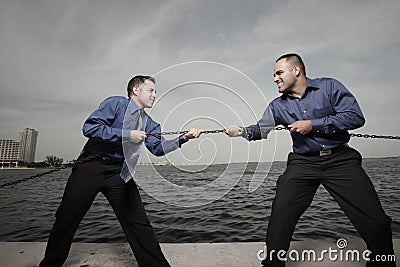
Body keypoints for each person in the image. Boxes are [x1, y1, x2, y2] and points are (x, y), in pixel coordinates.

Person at [224, 54, 395, 267]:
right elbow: (262, 129)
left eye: (279, 73)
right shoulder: (277, 106)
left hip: (341, 160)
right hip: (302, 163)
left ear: (296, 70)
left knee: (376, 220)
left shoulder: (329, 87)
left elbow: (355, 117)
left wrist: (313, 124)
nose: (275, 79)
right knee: (281, 214)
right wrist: (241, 131)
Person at [39, 75, 202, 267]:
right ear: (135, 90)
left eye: (155, 92)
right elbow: (90, 128)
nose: (155, 95)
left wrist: (184, 138)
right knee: (67, 218)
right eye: (151, 90)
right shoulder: (115, 103)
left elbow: (158, 149)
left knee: (139, 223)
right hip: (89, 168)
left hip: (119, 173)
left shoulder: (150, 124)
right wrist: (127, 135)